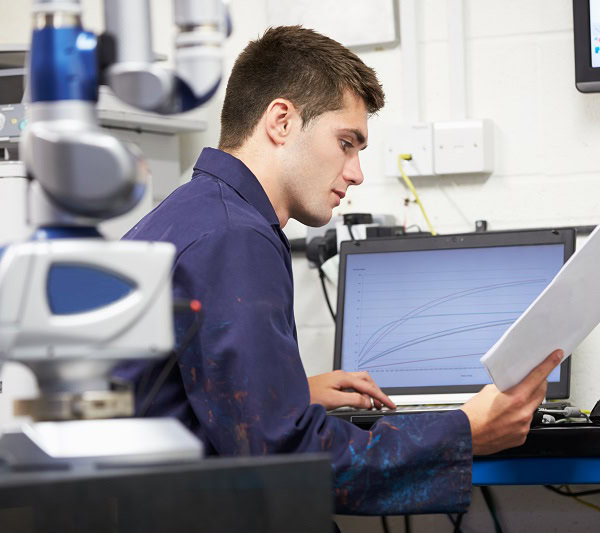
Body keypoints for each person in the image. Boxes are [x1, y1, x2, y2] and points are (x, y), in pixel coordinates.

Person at [115, 25, 563, 515]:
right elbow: (286, 460)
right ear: (281, 121)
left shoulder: (193, 212)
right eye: (346, 142)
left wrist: (289, 397)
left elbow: (171, 399)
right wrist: (464, 432)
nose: (356, 172)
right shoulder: (234, 237)